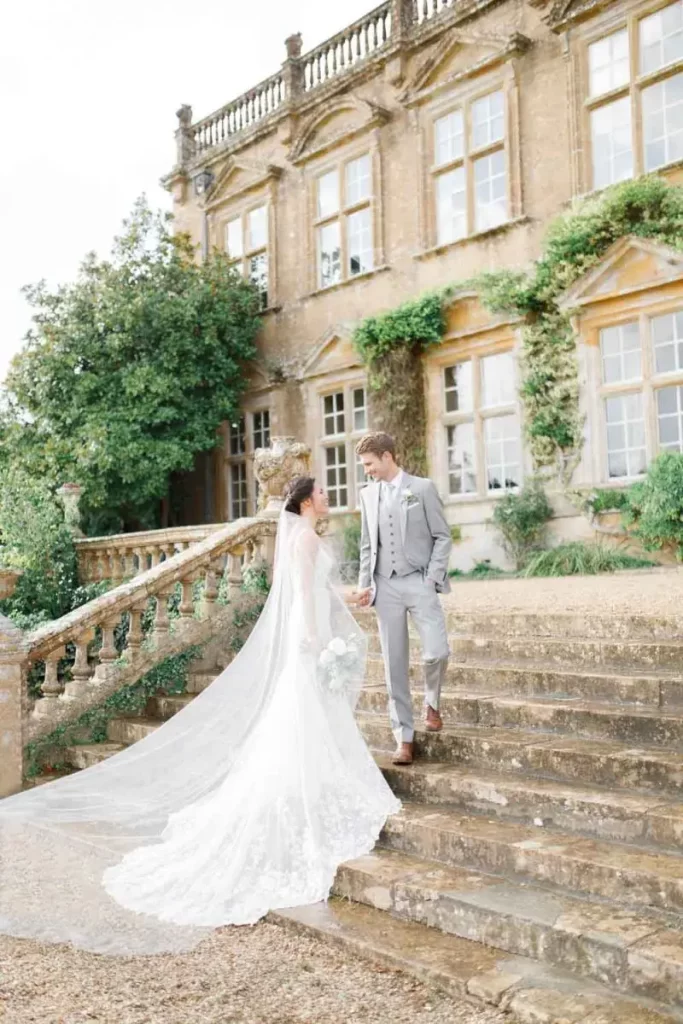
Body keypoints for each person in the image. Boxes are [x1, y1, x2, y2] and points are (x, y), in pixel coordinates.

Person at [0, 477, 399, 955]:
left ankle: (309, 781)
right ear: (307, 501)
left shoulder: (302, 537)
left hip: (304, 635)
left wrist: (345, 599)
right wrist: (316, 638)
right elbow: (303, 598)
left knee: (302, 716)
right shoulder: (306, 537)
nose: (328, 496)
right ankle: (305, 787)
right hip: (307, 638)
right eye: (322, 493)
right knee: (303, 714)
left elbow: (312, 588)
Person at [355, 432, 451, 767]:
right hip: (385, 587)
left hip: (419, 581)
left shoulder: (422, 488)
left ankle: (433, 701)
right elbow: (367, 545)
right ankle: (404, 738)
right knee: (394, 664)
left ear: (386, 456)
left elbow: (442, 536)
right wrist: (365, 584)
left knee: (437, 651)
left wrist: (432, 578)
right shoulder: (367, 495)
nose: (367, 471)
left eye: (369, 464)